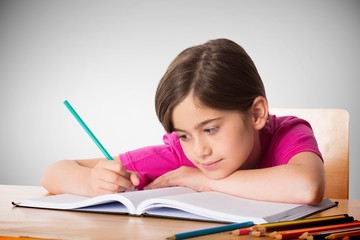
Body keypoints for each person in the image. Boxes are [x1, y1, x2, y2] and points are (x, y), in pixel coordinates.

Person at [41, 38, 325, 204]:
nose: (199, 151)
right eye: (185, 134)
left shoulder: (288, 133)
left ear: (256, 114)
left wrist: (201, 180)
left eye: (211, 129)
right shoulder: (179, 155)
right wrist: (93, 184)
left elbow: (306, 187)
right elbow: (54, 172)